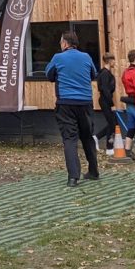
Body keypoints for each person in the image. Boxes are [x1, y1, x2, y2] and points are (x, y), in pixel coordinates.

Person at [45, 31, 100, 187]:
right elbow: (92, 75)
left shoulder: (58, 57)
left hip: (66, 103)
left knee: (70, 139)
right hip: (85, 102)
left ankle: (73, 177)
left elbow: (49, 75)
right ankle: (94, 171)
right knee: (87, 136)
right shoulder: (87, 57)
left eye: (61, 42)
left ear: (65, 43)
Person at [93, 52, 119, 155]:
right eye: (113, 60)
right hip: (105, 100)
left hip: (106, 99)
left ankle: (96, 137)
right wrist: (111, 104)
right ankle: (109, 148)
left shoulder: (107, 73)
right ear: (110, 61)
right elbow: (105, 90)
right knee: (113, 123)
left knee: (113, 123)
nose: (115, 62)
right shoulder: (104, 73)